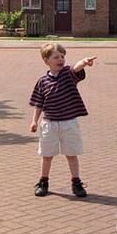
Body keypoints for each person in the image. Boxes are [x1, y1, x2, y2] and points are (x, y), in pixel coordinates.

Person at [29, 42, 97, 198]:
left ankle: (76, 183)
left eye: (62, 56)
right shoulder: (42, 82)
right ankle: (43, 182)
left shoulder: (67, 74)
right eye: (56, 57)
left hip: (69, 123)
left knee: (71, 154)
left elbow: (76, 68)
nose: (61, 59)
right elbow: (39, 103)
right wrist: (34, 121)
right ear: (46, 61)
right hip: (49, 124)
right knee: (46, 155)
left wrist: (85, 62)